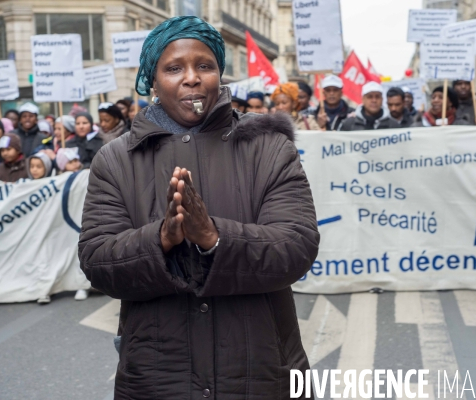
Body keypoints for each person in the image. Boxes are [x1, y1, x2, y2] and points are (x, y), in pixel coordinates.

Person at [78, 16, 319, 400]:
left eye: (204, 66)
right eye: (174, 68)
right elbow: (96, 259)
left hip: (264, 372)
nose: (192, 78)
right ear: (153, 80)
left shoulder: (269, 147)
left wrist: (212, 237)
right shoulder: (115, 160)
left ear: (219, 75)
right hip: (157, 379)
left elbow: (296, 247)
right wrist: (161, 239)